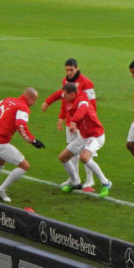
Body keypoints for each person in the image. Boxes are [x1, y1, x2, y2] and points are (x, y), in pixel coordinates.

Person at [0, 88, 45, 203]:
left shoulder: (8, 99)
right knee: (24, 166)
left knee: (1, 161)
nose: (34, 103)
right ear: (28, 97)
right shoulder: (23, 107)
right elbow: (21, 126)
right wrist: (33, 141)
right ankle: (1, 189)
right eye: (34, 100)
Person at [42, 58, 96, 190]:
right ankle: (74, 178)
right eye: (67, 70)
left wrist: (86, 121)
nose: (69, 72)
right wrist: (61, 118)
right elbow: (64, 100)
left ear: (76, 68)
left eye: (71, 70)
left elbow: (92, 104)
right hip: (69, 122)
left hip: (82, 123)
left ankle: (90, 179)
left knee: (85, 151)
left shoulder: (87, 83)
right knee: (71, 150)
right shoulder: (65, 81)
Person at [58, 83, 112, 198]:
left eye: (65, 94)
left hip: (96, 136)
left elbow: (82, 110)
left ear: (72, 93)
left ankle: (106, 182)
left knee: (84, 157)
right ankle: (75, 182)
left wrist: (73, 122)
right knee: (63, 157)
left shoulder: (82, 100)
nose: (64, 97)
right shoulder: (69, 101)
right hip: (83, 136)